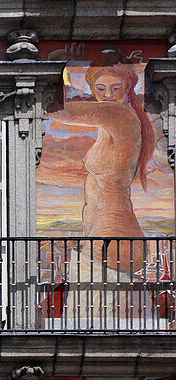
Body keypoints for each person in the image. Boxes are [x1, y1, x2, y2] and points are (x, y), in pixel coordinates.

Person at [48, 52, 164, 324]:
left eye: (116, 88)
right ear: (91, 90)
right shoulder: (111, 122)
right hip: (107, 235)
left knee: (98, 327)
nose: (107, 95)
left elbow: (57, 108)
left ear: (128, 89)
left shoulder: (120, 114)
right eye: (100, 89)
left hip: (114, 235)